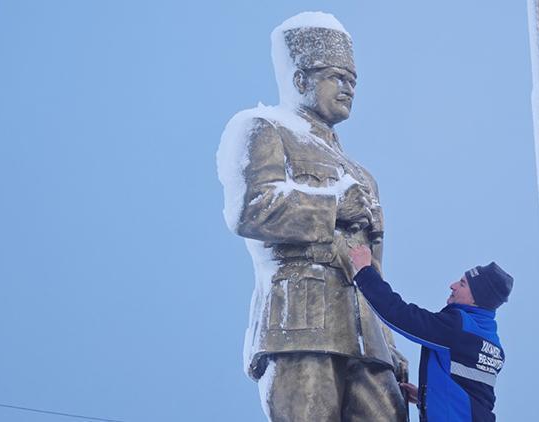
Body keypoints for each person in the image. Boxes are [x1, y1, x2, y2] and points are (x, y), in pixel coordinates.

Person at [218, 12, 407, 422]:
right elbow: (251, 208)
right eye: (336, 76)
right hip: (299, 323)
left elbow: (375, 270)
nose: (348, 88)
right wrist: (334, 206)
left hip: (368, 341)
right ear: (301, 80)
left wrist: (389, 342)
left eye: (353, 80)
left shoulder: (363, 175)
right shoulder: (263, 128)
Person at [349, 245, 514, 422]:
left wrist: (365, 271)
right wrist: (426, 397)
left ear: (476, 298)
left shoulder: (458, 328)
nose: (453, 285)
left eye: (462, 283)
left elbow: (399, 314)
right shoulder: (492, 342)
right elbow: (472, 390)